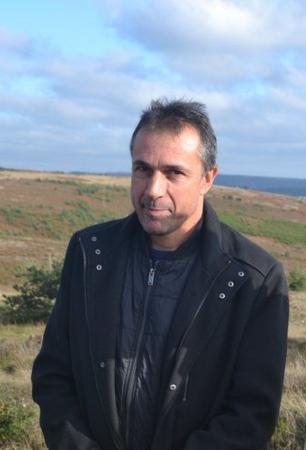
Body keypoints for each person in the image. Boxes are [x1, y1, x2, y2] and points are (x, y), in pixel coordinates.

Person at [32, 99, 289, 450]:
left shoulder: (254, 279)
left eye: (174, 172)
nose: (153, 190)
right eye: (142, 169)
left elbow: (250, 415)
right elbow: (54, 375)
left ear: (207, 178)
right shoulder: (89, 253)